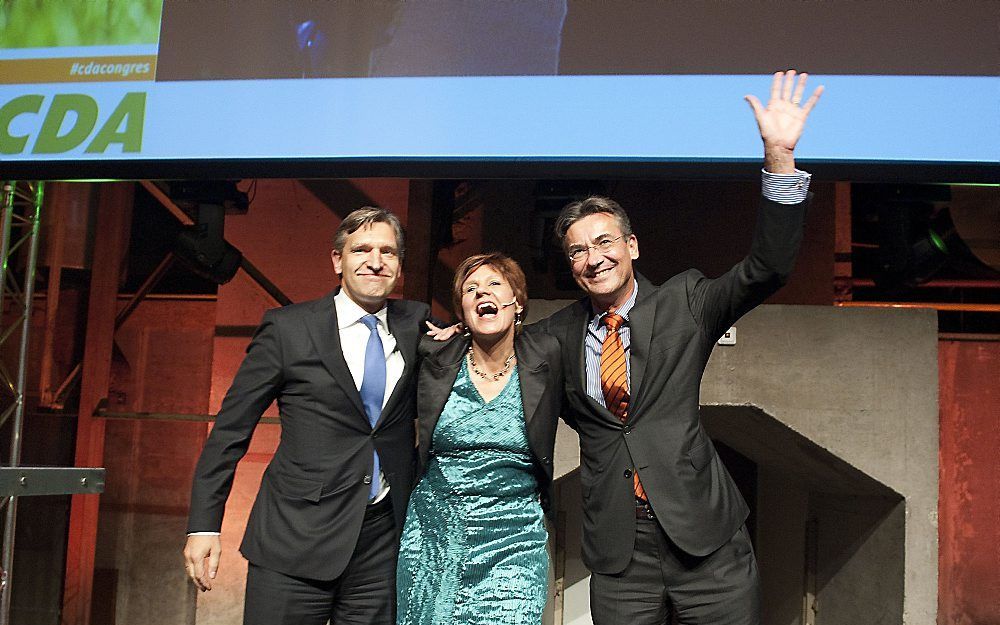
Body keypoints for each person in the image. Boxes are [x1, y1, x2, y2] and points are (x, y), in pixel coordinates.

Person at [530, 70, 824, 624]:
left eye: (604, 242)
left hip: (708, 544)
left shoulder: (685, 301)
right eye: (577, 252)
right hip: (620, 556)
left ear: (632, 246)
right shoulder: (552, 339)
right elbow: (493, 363)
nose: (593, 259)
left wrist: (780, 159)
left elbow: (767, 269)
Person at [183, 207, 435, 625]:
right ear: (338, 260)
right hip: (293, 542)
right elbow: (230, 432)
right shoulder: (288, 329)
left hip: (381, 546)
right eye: (362, 249)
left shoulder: (418, 324)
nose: (375, 261)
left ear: (400, 265)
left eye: (387, 252)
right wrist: (204, 526)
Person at [396, 253, 564, 625]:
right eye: (470, 290)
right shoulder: (435, 355)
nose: (481, 293)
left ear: (517, 302)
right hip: (434, 536)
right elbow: (399, 318)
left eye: (493, 285)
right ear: (462, 311)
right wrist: (452, 329)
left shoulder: (546, 355)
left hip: (515, 536)